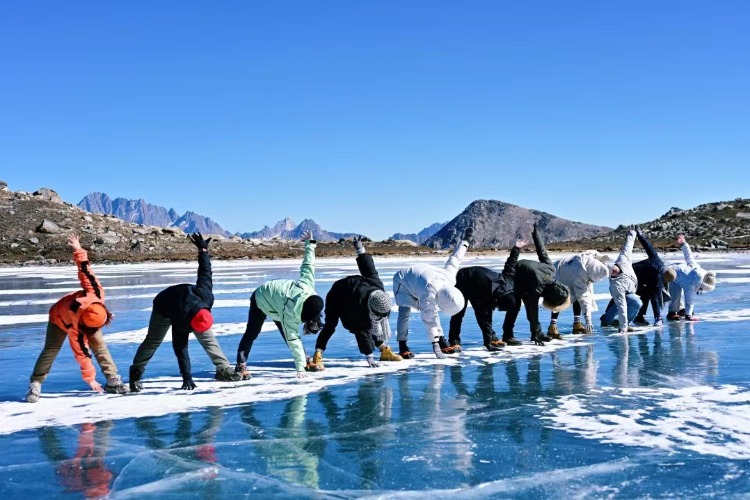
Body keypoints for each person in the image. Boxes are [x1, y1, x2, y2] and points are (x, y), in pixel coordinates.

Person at [129, 233, 241, 392]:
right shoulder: (180, 319)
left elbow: (205, 272)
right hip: (164, 305)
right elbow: (180, 347)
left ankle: (223, 369)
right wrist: (186, 377)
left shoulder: (206, 296)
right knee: (153, 341)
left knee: (209, 339)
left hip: (191, 305)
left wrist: (203, 250)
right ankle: (136, 372)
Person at [26, 235, 128, 403]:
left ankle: (112, 379)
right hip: (58, 317)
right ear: (85, 327)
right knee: (51, 349)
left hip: (83, 316)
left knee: (100, 346)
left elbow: (85, 270)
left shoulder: (96, 293)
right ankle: (35, 384)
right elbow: (82, 354)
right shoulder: (76, 330)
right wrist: (90, 379)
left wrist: (78, 249)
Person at [235, 230, 323, 379]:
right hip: (261, 299)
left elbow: (308, 265)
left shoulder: (308, 288)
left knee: (286, 331)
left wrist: (310, 244)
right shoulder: (290, 312)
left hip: (279, 302)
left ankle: (305, 359)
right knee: (253, 332)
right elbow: (293, 339)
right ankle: (240, 364)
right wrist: (300, 368)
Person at [308, 236, 402, 370]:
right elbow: (361, 331)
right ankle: (318, 353)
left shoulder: (378, 289)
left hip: (358, 292)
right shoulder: (358, 307)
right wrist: (369, 356)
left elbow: (369, 269)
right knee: (331, 326)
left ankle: (384, 351)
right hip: (338, 295)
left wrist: (360, 249)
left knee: (375, 323)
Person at [392, 228, 473, 359]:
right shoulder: (429, 294)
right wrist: (435, 345)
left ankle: (442, 341)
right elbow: (429, 319)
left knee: (432, 311)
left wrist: (465, 242)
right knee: (405, 312)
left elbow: (455, 259)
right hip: (402, 281)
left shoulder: (449, 278)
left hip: (420, 278)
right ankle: (403, 346)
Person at [448, 238, 529, 352]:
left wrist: (517, 248)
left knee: (482, 312)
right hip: (463, 278)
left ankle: (491, 337)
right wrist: (488, 344)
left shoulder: (509, 282)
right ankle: (454, 341)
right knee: (459, 311)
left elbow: (511, 264)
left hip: (479, 279)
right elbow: (486, 317)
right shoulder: (492, 294)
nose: (498, 309)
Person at [503, 224, 571, 345]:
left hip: (523, 276)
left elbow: (542, 251)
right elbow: (533, 311)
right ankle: (508, 336)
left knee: (524, 304)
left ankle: (536, 332)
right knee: (515, 306)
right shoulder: (537, 289)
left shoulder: (551, 270)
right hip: (513, 277)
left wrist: (536, 234)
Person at [547, 250, 610, 338]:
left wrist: (602, 259)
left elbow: (594, 254)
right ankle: (552, 327)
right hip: (557, 272)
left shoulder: (588, 259)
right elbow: (583, 299)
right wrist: (588, 320)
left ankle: (577, 323)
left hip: (567, 270)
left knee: (576, 296)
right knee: (559, 299)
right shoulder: (581, 276)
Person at [666, 234, 716, 321]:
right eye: (701, 289)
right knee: (675, 294)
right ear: (701, 284)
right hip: (670, 274)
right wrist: (689, 316)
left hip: (677, 272)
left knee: (678, 292)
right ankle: (672, 313)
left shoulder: (697, 268)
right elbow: (689, 299)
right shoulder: (692, 283)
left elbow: (689, 256)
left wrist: (684, 244)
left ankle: (681, 309)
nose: (701, 290)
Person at [631, 229, 676, 326]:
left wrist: (640, 236)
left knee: (647, 293)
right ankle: (644, 318)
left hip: (629, 269)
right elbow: (655, 297)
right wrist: (658, 318)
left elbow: (649, 246)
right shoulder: (657, 278)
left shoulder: (658, 260)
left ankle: (640, 317)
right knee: (650, 293)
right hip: (629, 279)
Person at [600, 229, 640, 333]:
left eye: (614, 269)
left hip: (630, 290)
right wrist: (623, 327)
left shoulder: (623, 260)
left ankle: (620, 321)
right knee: (634, 302)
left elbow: (627, 247)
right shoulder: (616, 286)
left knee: (632, 302)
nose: (614, 271)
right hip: (621, 293)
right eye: (612, 272)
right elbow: (622, 306)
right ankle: (608, 320)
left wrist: (632, 234)